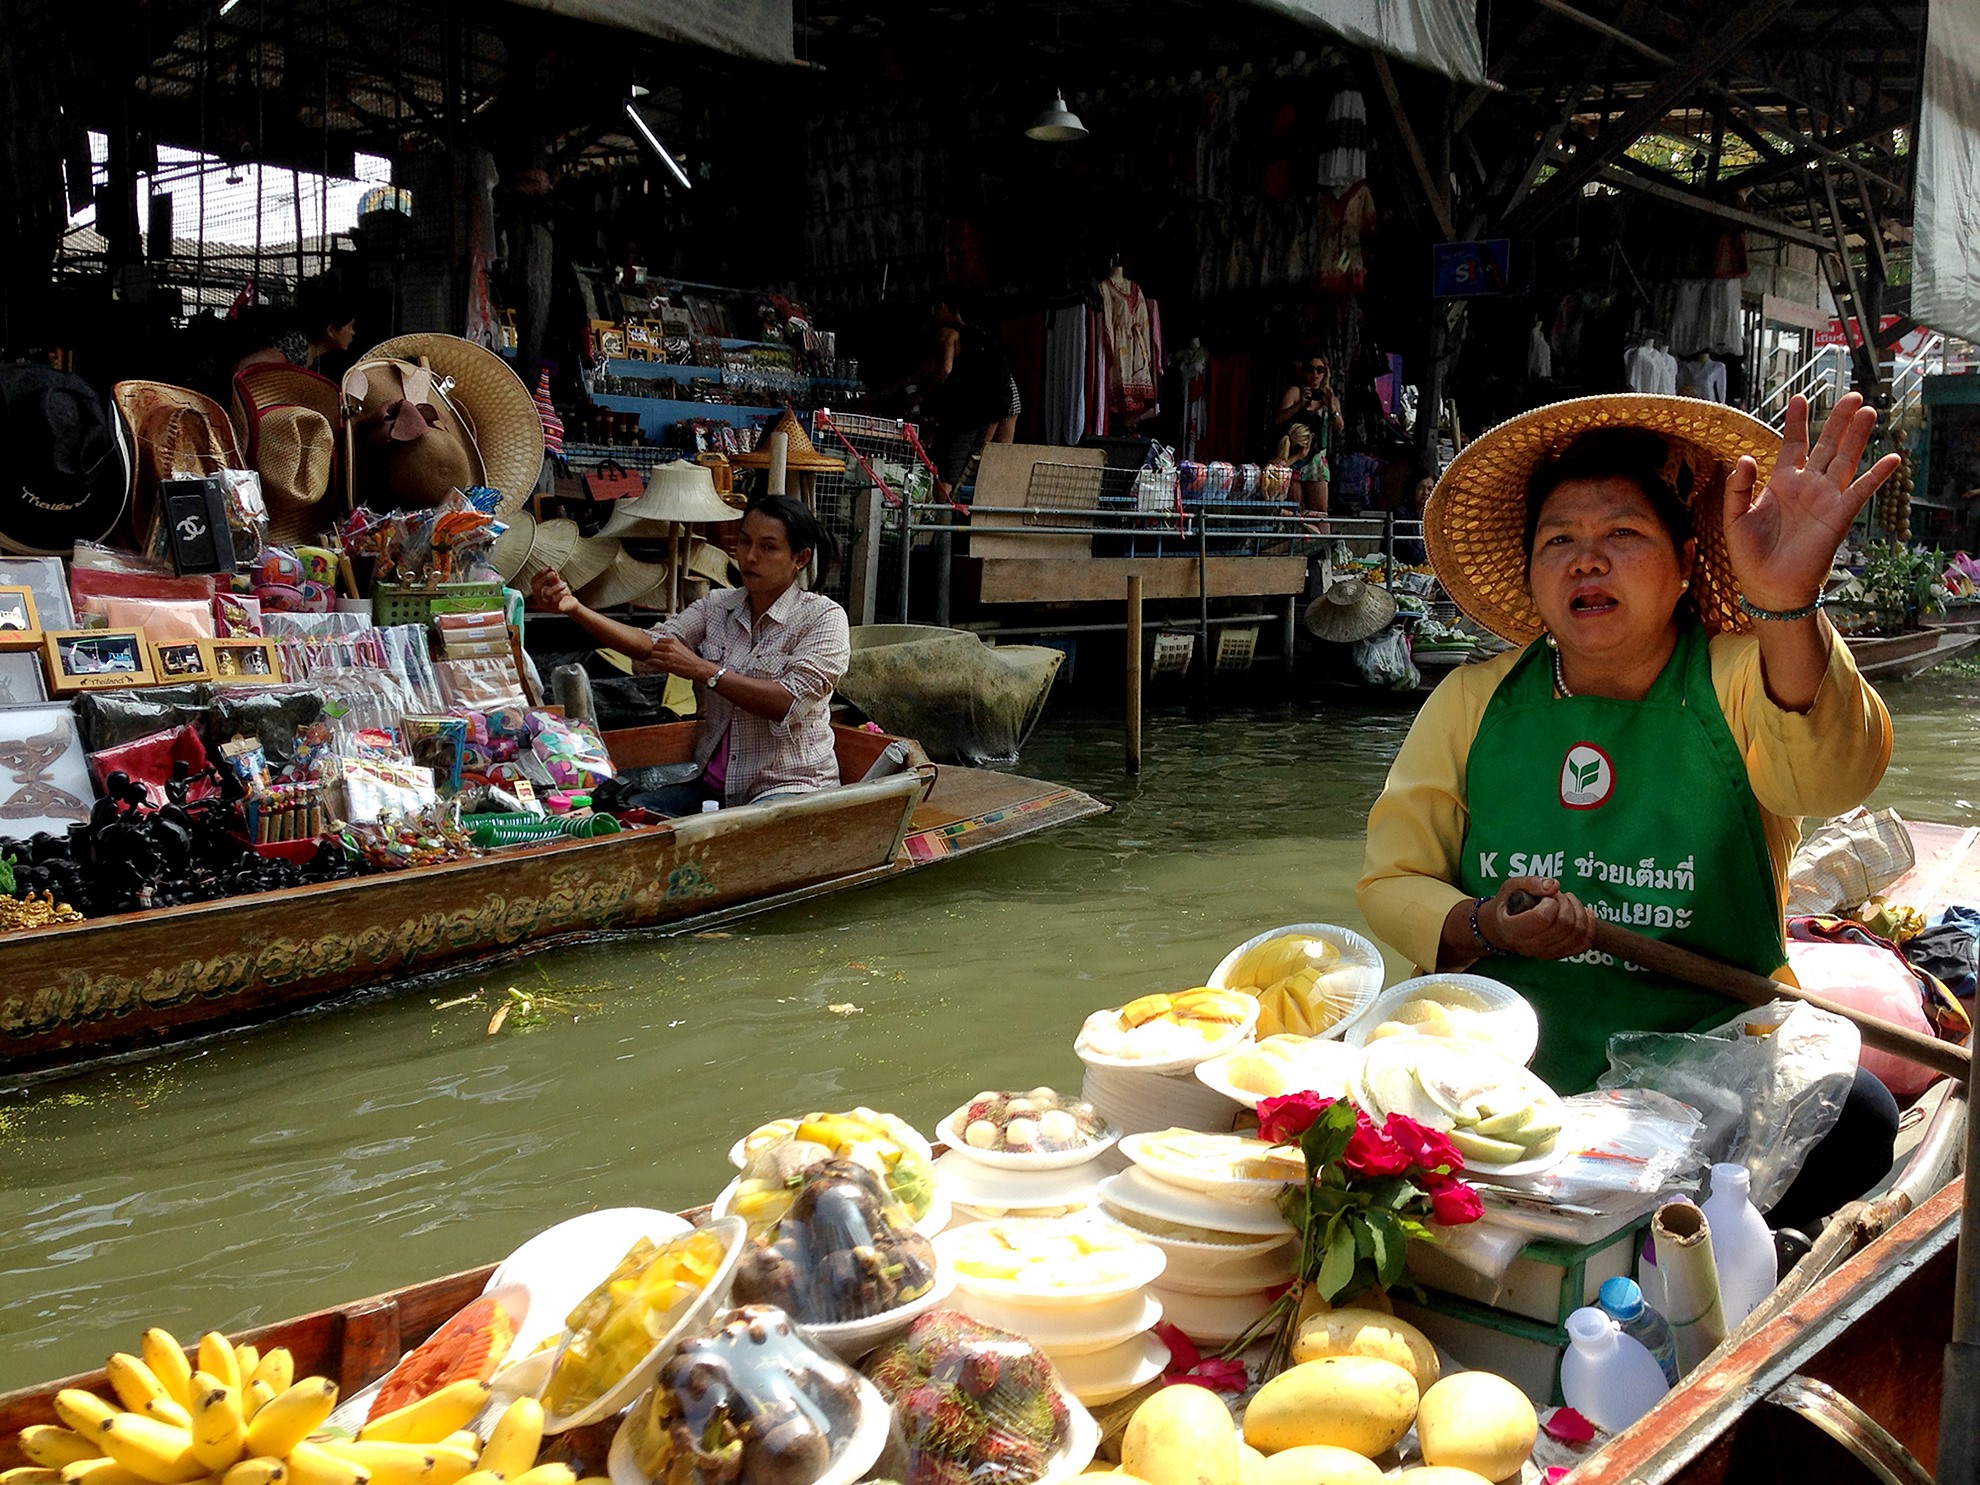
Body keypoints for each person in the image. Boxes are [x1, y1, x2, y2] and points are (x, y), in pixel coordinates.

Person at [1356, 393, 1903, 1225]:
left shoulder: (1738, 676)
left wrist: (1788, 606)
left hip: (1705, 1052)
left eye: (1622, 535)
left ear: (1687, 560)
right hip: (1510, 1056)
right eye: (1559, 541)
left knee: (1859, 1117)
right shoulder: (1473, 699)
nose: (1587, 561)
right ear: (1534, 571)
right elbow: (1392, 879)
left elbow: (1830, 779)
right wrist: (1484, 923)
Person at [530, 495, 851, 813]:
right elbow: (651, 644)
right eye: (745, 542)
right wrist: (575, 609)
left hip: (789, 788)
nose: (751, 556)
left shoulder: (823, 617)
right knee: (628, 818)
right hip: (714, 787)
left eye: (768, 547)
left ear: (800, 558)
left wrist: (705, 671)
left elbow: (788, 701)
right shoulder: (718, 606)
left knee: (736, 834)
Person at [893, 287, 1018, 499]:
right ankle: (975, 518)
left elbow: (944, 369)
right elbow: (926, 370)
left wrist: (922, 394)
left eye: (934, 310)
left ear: (942, 307)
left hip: (975, 411)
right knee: (981, 466)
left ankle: (943, 528)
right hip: (996, 405)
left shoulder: (948, 332)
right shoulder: (976, 335)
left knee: (949, 475)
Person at [233, 274, 359, 378]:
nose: (353, 332)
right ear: (331, 330)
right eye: (350, 326)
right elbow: (240, 368)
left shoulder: (313, 357)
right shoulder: (296, 345)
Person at [1273, 354, 1344, 522]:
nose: (1315, 374)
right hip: (1295, 454)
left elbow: (1339, 427)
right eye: (1310, 369)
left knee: (1319, 511)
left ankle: (1321, 543)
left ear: (1325, 373)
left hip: (1317, 457)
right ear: (1303, 372)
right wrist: (1299, 406)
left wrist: (1332, 408)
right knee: (1293, 508)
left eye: (1319, 370)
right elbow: (1278, 420)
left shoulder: (1329, 397)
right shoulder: (1295, 392)